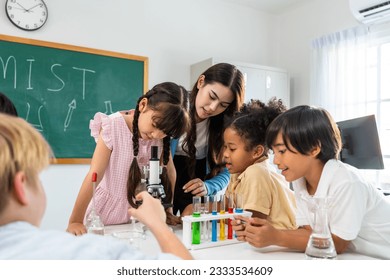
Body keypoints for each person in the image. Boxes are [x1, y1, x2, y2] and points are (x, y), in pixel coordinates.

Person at [0, 113, 192, 260]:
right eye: (38, 177)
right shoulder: (89, 252)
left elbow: (170, 171)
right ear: (21, 187)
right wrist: (158, 224)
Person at [233, 105, 390, 259]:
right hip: (359, 257)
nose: (275, 160)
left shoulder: (347, 181)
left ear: (314, 148)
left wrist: (276, 237)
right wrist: (264, 231)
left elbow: (338, 243)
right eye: (274, 152)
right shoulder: (301, 180)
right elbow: (310, 232)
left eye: (282, 151)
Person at [67, 82, 190, 235]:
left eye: (165, 132)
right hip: (106, 213)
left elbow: (170, 172)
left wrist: (168, 210)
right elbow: (94, 174)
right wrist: (75, 221)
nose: (157, 135)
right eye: (155, 124)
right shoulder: (112, 126)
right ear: (143, 105)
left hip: (140, 216)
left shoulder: (159, 138)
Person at [171, 63, 245, 215]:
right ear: (200, 82)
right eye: (212, 96)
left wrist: (209, 186)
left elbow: (228, 169)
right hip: (165, 179)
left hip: (197, 188)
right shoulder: (174, 108)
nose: (212, 108)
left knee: (192, 231)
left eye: (223, 105)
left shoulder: (224, 126)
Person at [223, 98, 296, 229]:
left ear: (257, 151)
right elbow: (226, 208)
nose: (225, 154)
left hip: (281, 241)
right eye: (225, 147)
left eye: (232, 148)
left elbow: (252, 223)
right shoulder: (237, 173)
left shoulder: (256, 172)